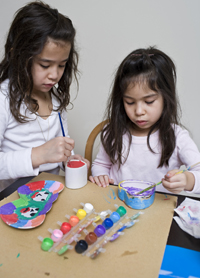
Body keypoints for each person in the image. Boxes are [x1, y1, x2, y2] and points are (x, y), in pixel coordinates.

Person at [0, 1, 89, 191]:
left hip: (48, 196)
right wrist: (38, 155)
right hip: (12, 203)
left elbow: (61, 144)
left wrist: (70, 159)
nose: (55, 75)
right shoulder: (3, 99)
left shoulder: (55, 99)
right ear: (19, 56)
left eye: (61, 65)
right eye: (45, 65)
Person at [89, 46, 200, 194]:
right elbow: (101, 164)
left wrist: (188, 180)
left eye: (149, 102)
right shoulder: (113, 131)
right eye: (129, 102)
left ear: (166, 99)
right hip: (119, 207)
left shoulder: (178, 136)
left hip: (159, 211)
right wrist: (100, 176)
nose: (139, 111)